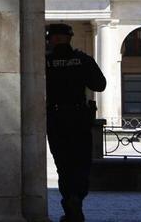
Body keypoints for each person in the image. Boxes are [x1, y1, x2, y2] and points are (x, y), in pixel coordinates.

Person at [45, 23, 107, 222]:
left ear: (50, 39)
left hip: (55, 118)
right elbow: (100, 84)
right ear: (69, 38)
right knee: (80, 162)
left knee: (62, 164)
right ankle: (76, 198)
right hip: (79, 118)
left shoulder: (44, 61)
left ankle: (69, 200)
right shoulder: (82, 59)